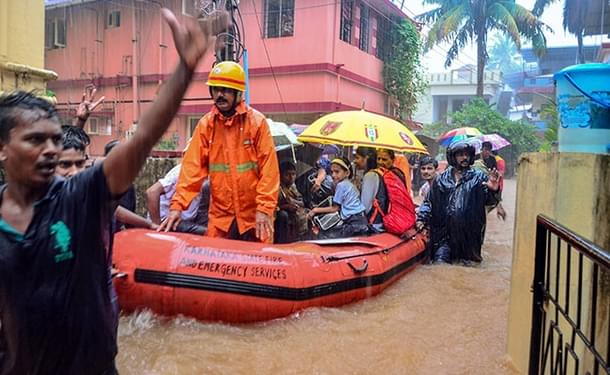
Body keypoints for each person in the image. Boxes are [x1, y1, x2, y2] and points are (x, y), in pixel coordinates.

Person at [0, 8, 227, 373]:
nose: (50, 150)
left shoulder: (77, 196)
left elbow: (140, 141)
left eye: (55, 140)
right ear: (3, 148)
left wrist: (184, 69)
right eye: (35, 140)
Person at [160, 61, 279, 243]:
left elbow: (269, 172)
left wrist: (264, 209)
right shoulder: (206, 126)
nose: (220, 95)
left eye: (226, 90)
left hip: (255, 217)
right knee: (217, 266)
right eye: (216, 89)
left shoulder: (256, 123)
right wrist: (177, 206)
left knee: (259, 267)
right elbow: (191, 170)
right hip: (221, 218)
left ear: (238, 93)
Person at [416, 141, 501, 264]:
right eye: (460, 154)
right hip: (443, 236)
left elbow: (490, 202)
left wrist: (494, 190)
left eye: (467, 154)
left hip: (469, 237)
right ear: (453, 157)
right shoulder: (441, 179)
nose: (464, 157)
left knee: (468, 270)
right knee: (440, 267)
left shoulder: (479, 177)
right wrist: (421, 218)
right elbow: (429, 202)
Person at [307, 157, 368, 239]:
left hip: (353, 221)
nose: (333, 175)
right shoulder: (350, 184)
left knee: (325, 236)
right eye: (332, 172)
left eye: (337, 172)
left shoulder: (341, 185)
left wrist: (315, 210)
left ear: (346, 173)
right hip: (361, 219)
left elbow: (335, 208)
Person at [146, 163, 209, 234]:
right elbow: (152, 192)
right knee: (207, 232)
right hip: (169, 220)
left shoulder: (208, 172)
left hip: (191, 218)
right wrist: (157, 225)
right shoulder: (182, 171)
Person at [275, 161, 308, 243]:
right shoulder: (277, 187)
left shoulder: (293, 186)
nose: (291, 177)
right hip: (278, 215)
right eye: (287, 174)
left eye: (293, 174)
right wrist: (286, 206)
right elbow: (273, 206)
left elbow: (302, 202)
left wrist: (293, 201)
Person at [354, 147, 383, 232]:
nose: (355, 161)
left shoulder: (370, 175)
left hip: (373, 224)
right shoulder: (378, 172)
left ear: (366, 158)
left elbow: (365, 207)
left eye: (357, 157)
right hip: (379, 222)